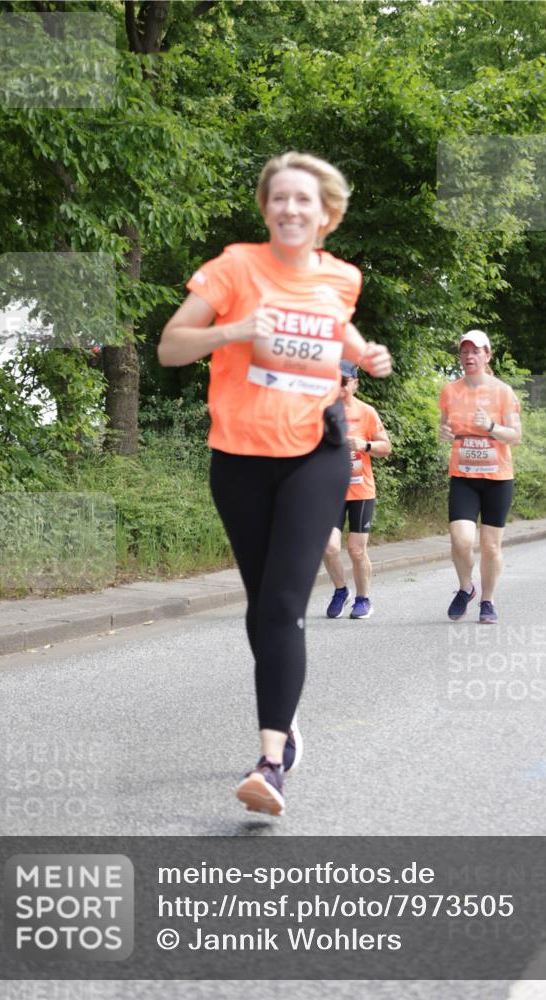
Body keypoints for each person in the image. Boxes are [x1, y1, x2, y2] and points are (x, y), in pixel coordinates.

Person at [157, 152, 392, 817]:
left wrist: (363, 353)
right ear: (265, 208)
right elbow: (170, 346)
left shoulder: (341, 278)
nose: (291, 209)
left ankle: (269, 762)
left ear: (326, 215)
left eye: (304, 201)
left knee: (285, 602)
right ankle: (287, 724)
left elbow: (337, 330)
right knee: (261, 602)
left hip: (316, 452)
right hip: (237, 456)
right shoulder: (233, 267)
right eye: (279, 198)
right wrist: (232, 329)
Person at [438, 330, 522, 625]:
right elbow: (445, 427)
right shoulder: (449, 391)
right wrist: (445, 433)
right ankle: (466, 588)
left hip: (497, 478)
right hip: (463, 475)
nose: (469, 356)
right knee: (461, 540)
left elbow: (515, 435)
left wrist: (490, 427)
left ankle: (488, 600)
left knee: (490, 546)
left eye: (476, 351)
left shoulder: (503, 392)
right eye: (464, 351)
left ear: (488, 355)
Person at [323, 360, 392, 619]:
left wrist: (365, 445)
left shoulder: (367, 413)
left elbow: (387, 447)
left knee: (355, 550)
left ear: (354, 383)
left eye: (343, 381)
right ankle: (341, 591)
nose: (338, 386)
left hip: (361, 491)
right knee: (328, 548)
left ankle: (363, 599)